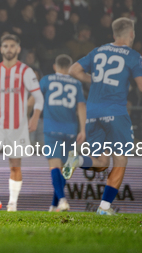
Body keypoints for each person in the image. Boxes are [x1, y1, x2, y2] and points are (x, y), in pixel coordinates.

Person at [64, 18, 142, 215]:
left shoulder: (98, 51)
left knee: (102, 162)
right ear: (131, 34)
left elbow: (73, 70)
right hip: (116, 113)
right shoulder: (133, 56)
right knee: (120, 160)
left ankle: (78, 160)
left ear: (114, 35)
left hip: (93, 113)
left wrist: (93, 80)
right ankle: (104, 208)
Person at [0, 34, 44, 212]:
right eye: (5, 46)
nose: (9, 49)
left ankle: (13, 203)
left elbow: (38, 98)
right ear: (1, 49)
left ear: (18, 49)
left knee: (15, 164)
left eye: (12, 46)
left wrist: (35, 116)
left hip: (17, 125)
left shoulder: (25, 71)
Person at [39, 55, 86, 212]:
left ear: (55, 66)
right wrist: (83, 130)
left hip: (52, 128)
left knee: (54, 166)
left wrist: (29, 114)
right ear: (70, 67)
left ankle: (62, 200)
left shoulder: (47, 80)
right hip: (71, 131)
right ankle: (54, 205)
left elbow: (36, 100)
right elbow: (81, 107)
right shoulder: (77, 84)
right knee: (64, 169)